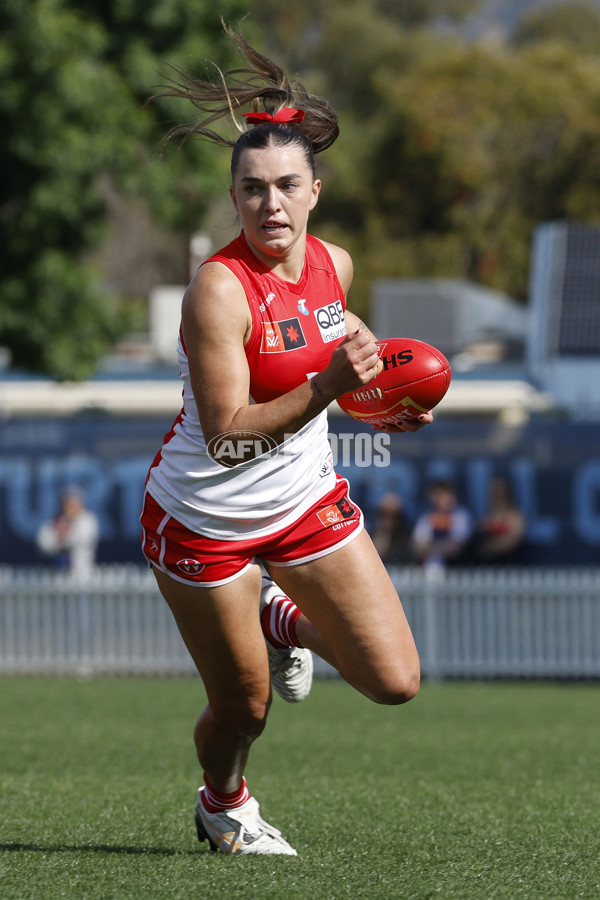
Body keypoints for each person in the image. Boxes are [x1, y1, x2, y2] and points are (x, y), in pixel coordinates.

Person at [140, 24, 433, 857]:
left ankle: (279, 622)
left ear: (314, 192)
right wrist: (331, 388)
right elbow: (228, 439)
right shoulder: (218, 291)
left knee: (396, 682)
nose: (270, 204)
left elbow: (346, 343)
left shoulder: (335, 263)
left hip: (304, 502)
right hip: (205, 518)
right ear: (233, 198)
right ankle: (223, 805)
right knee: (245, 709)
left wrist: (387, 401)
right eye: (252, 189)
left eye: (286, 186)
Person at [36, 487, 99, 580]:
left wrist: (61, 539)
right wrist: (60, 541)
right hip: (57, 575)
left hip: (82, 574)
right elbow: (43, 543)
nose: (70, 507)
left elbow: (82, 539)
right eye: (67, 503)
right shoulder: (57, 521)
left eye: (74, 503)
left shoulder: (88, 520)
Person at [410, 480, 472, 572]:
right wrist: (441, 547)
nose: (446, 498)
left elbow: (456, 547)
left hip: (456, 569)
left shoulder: (461, 515)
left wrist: (430, 547)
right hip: (428, 569)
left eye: (448, 494)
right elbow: (417, 546)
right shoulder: (427, 517)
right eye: (441, 495)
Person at [471, 476, 527, 565]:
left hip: (508, 564)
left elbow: (511, 542)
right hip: (485, 564)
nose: (496, 496)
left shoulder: (515, 516)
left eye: (499, 493)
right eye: (493, 493)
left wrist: (489, 547)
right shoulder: (485, 517)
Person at [370, 491, 413, 565]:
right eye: (384, 515)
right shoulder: (371, 534)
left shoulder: (406, 539)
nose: (388, 520)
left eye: (393, 516)